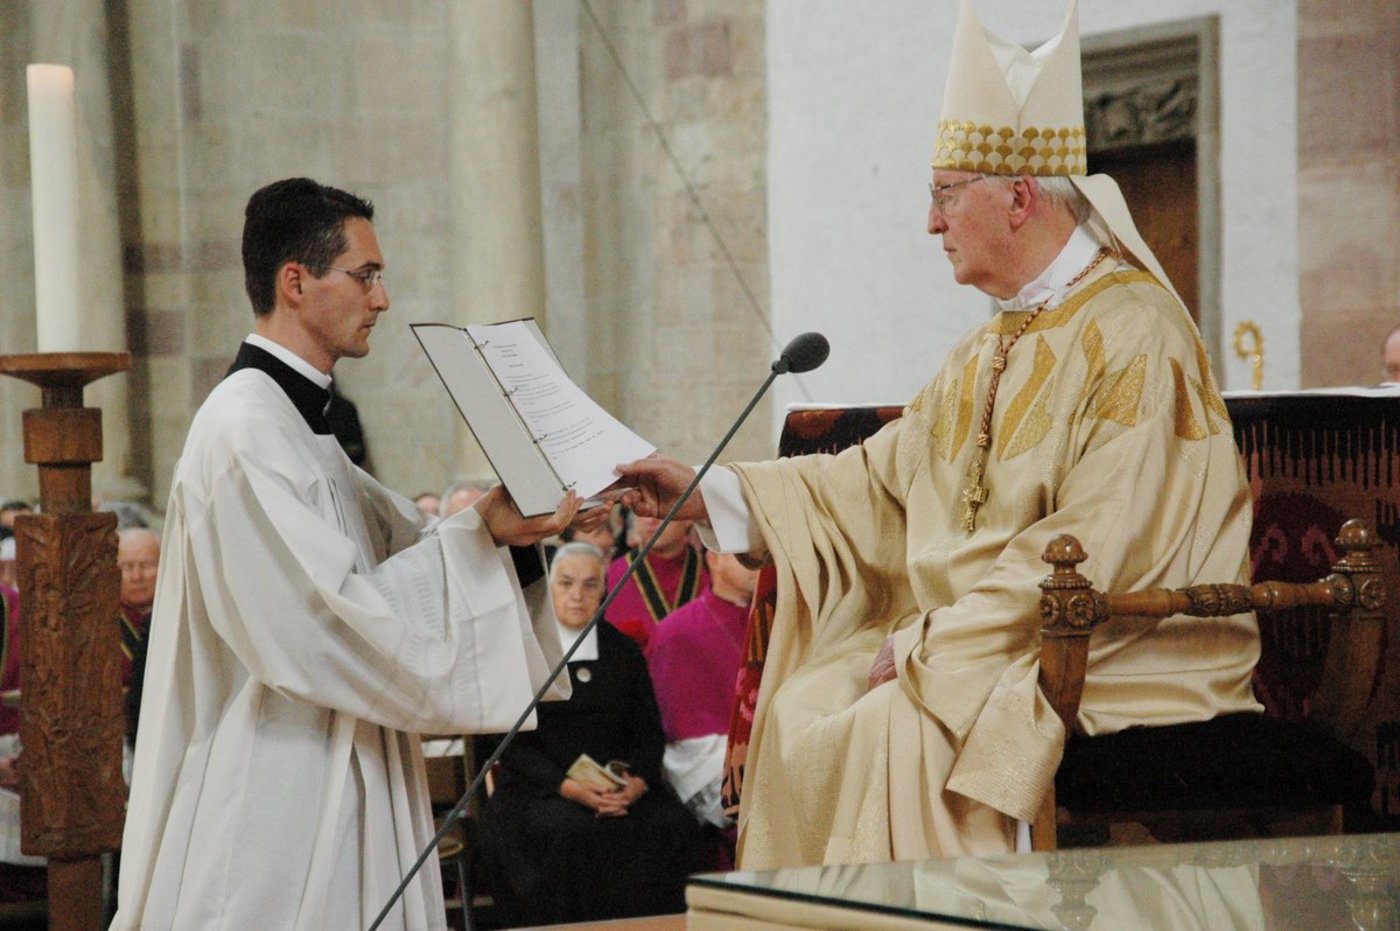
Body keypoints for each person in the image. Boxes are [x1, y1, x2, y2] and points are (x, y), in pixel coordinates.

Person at [619, 0, 1260, 870]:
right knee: (800, 706)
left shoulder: (1136, 332)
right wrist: (709, 492)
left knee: (899, 723)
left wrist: (935, 639)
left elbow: (1100, 540)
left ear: (1020, 196)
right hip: (989, 636)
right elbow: (876, 481)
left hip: (1110, 647)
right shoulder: (985, 348)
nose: (931, 222)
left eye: (944, 195)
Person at [114, 178, 600, 930]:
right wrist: (479, 540)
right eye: (365, 275)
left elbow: (403, 548)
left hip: (344, 758)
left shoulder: (299, 427)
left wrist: (500, 528)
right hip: (282, 792)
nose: (382, 299)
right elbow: (329, 618)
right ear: (296, 282)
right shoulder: (245, 430)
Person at [476, 542, 701, 926]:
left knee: (674, 826)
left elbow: (649, 730)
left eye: (589, 584)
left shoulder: (623, 652)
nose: (577, 595)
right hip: (542, 789)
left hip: (618, 786)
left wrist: (637, 783)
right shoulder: (525, 653)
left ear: (604, 590)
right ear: (549, 590)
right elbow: (506, 743)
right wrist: (569, 788)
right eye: (566, 584)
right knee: (569, 832)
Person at [647, 547, 758, 868]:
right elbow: (683, 748)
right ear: (714, 559)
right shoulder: (677, 633)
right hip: (731, 790)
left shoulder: (785, 623)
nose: (758, 563)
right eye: (745, 554)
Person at [604, 512, 707, 650]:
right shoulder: (613, 575)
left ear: (688, 518)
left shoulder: (712, 572)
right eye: (642, 511)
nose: (650, 521)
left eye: (662, 511)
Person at [116, 527, 160, 743]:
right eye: (127, 567)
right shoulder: (99, 622)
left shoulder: (181, 616)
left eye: (147, 565)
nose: (137, 576)